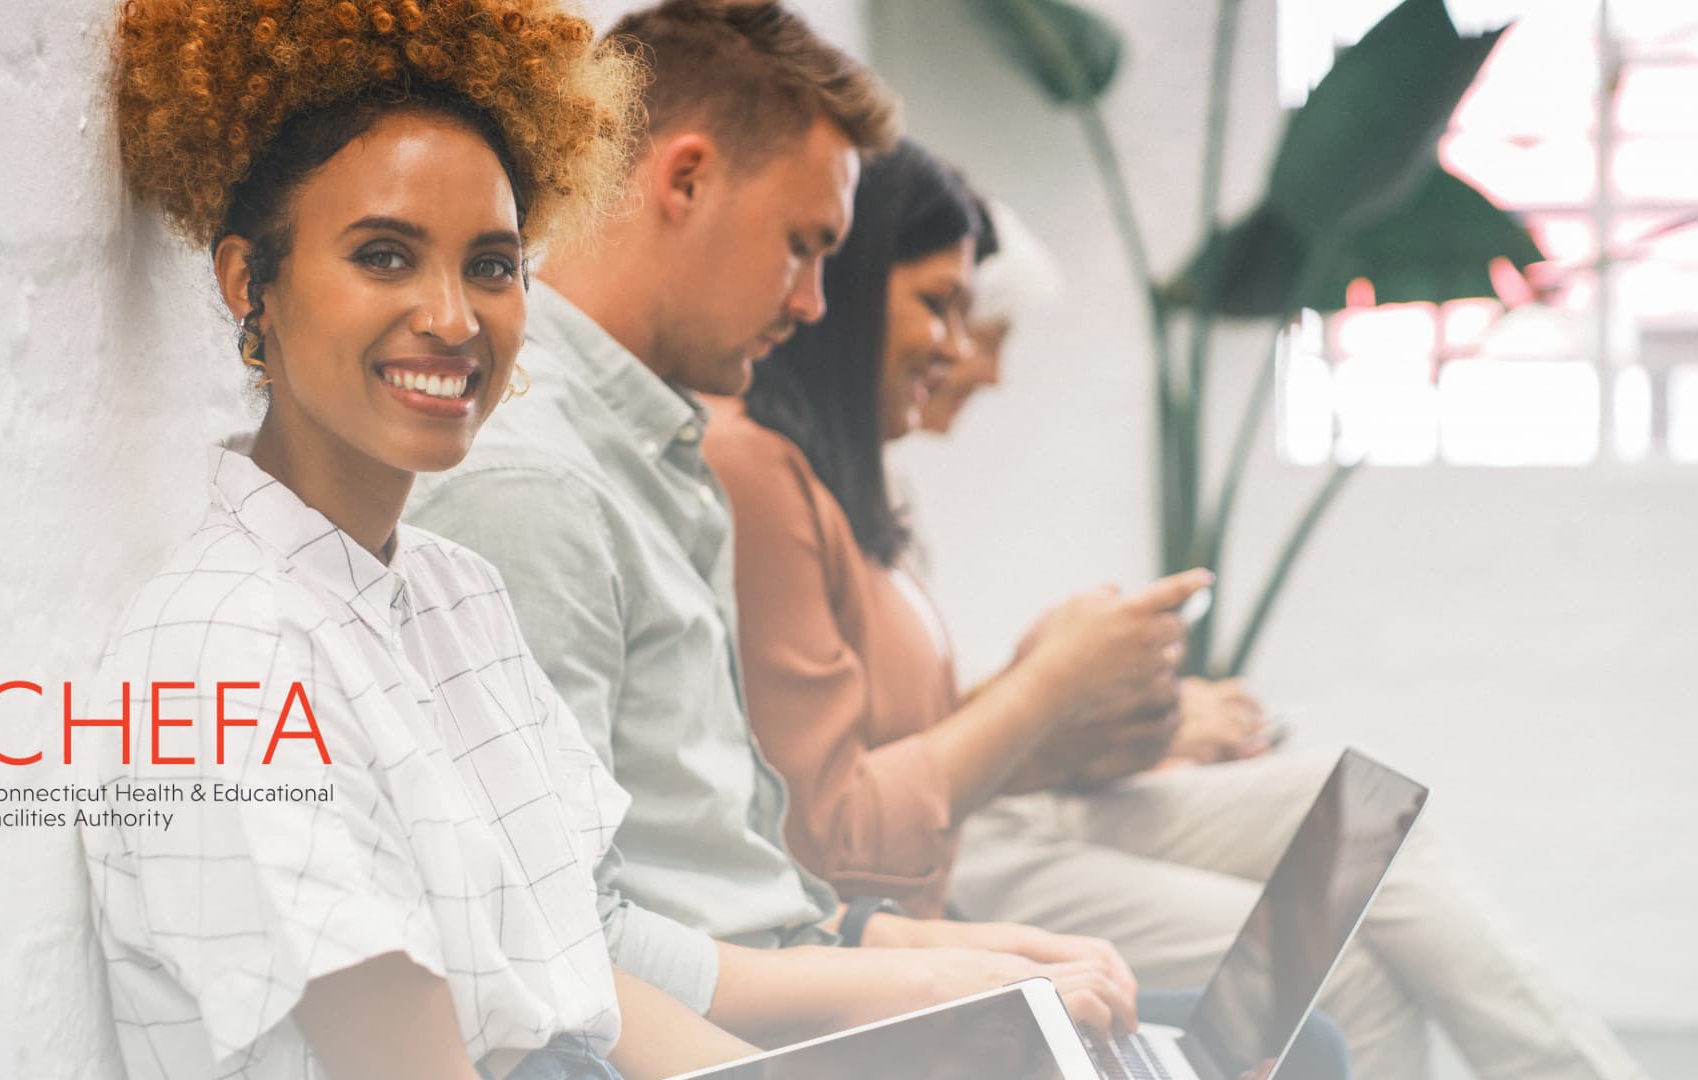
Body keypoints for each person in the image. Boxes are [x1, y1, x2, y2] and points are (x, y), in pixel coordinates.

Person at [710, 166, 1650, 1080]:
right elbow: (842, 818)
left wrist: (1112, 722)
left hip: (988, 813)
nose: (969, 356)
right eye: (946, 310)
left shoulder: (864, 488)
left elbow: (897, 735)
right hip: (955, 856)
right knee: (1345, 957)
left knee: (1362, 817)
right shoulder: (763, 475)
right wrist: (1053, 690)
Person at [405, 0, 1152, 1052]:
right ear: (686, 179)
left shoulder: (655, 451)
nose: (812, 303)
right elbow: (561, 944)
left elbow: (734, 868)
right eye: (803, 247)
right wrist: (922, 984)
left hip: (794, 974)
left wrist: (894, 946)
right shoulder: (538, 485)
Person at [79, 2, 760, 1077]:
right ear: (248, 281)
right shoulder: (225, 654)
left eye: (492, 265)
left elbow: (582, 984)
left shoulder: (458, 596)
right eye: (386, 256)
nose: (452, 315)